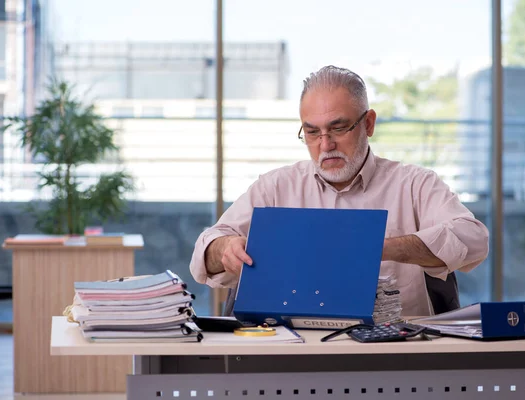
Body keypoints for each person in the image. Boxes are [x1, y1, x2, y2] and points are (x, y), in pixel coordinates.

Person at [190, 65, 489, 317]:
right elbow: (204, 252)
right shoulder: (275, 187)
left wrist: (380, 248)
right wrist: (224, 248)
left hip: (394, 355)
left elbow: (474, 238)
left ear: (368, 123)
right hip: (293, 356)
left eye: (338, 128)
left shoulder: (414, 185)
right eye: (312, 132)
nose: (325, 144)